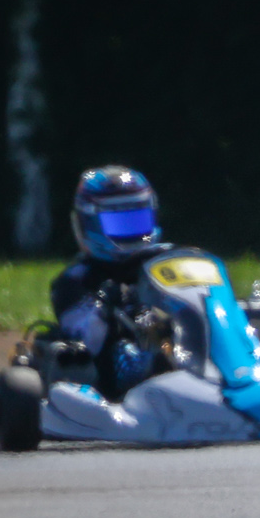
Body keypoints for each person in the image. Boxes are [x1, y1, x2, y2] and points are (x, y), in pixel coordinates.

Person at [49, 166, 174, 399]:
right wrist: (106, 303)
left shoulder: (164, 267)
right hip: (112, 381)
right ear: (89, 223)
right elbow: (87, 338)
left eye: (138, 221)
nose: (131, 233)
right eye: (121, 224)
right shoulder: (75, 281)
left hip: (175, 359)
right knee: (129, 352)